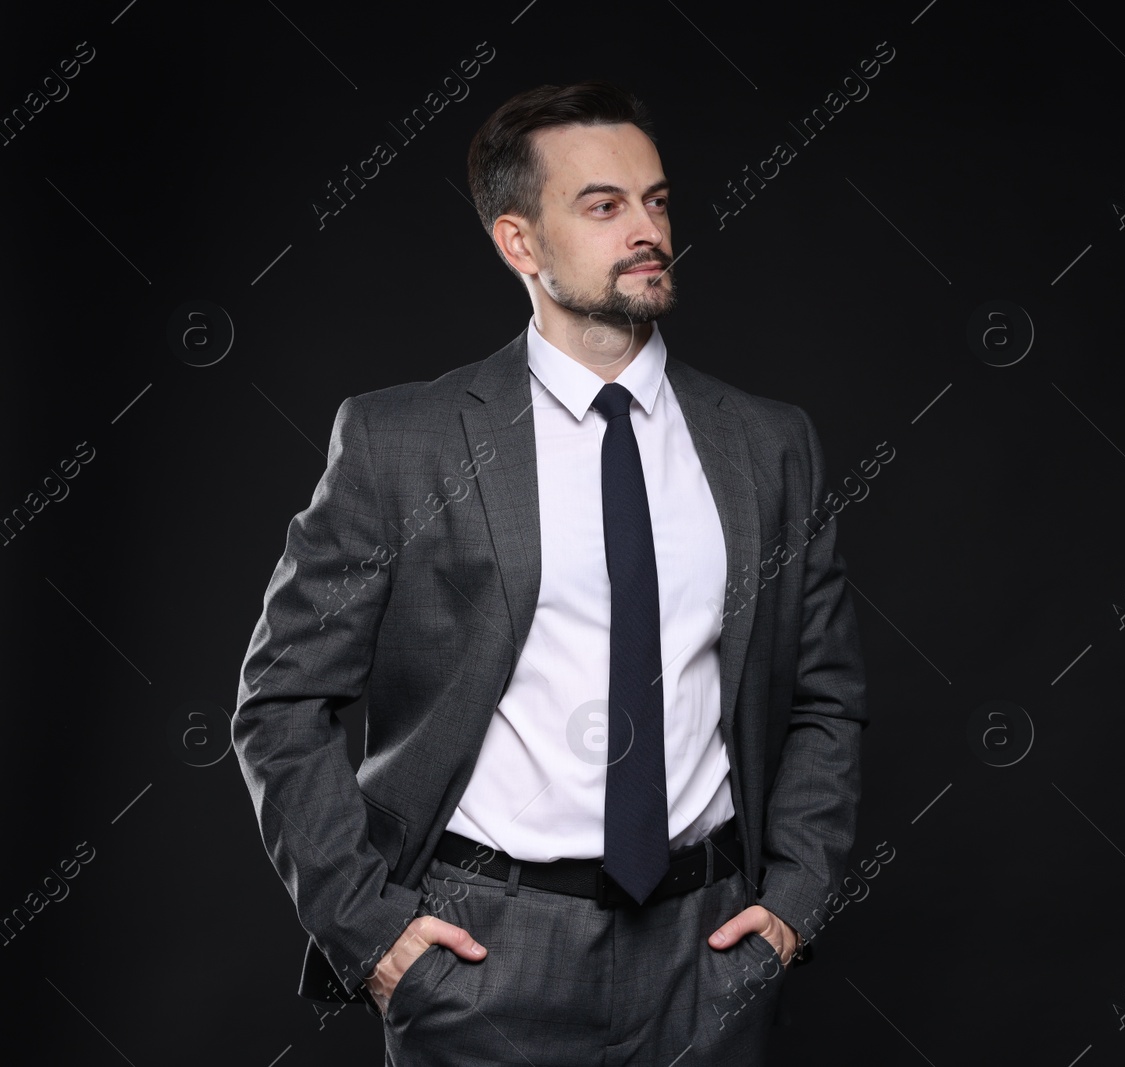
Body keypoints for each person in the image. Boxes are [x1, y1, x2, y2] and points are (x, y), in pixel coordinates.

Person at [232, 81, 868, 1066]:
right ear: (518, 242)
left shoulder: (769, 445)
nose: (647, 228)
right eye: (603, 205)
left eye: (655, 200)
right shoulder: (403, 442)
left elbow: (826, 695)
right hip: (485, 951)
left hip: (708, 948)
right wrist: (369, 928)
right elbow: (279, 701)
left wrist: (790, 898)